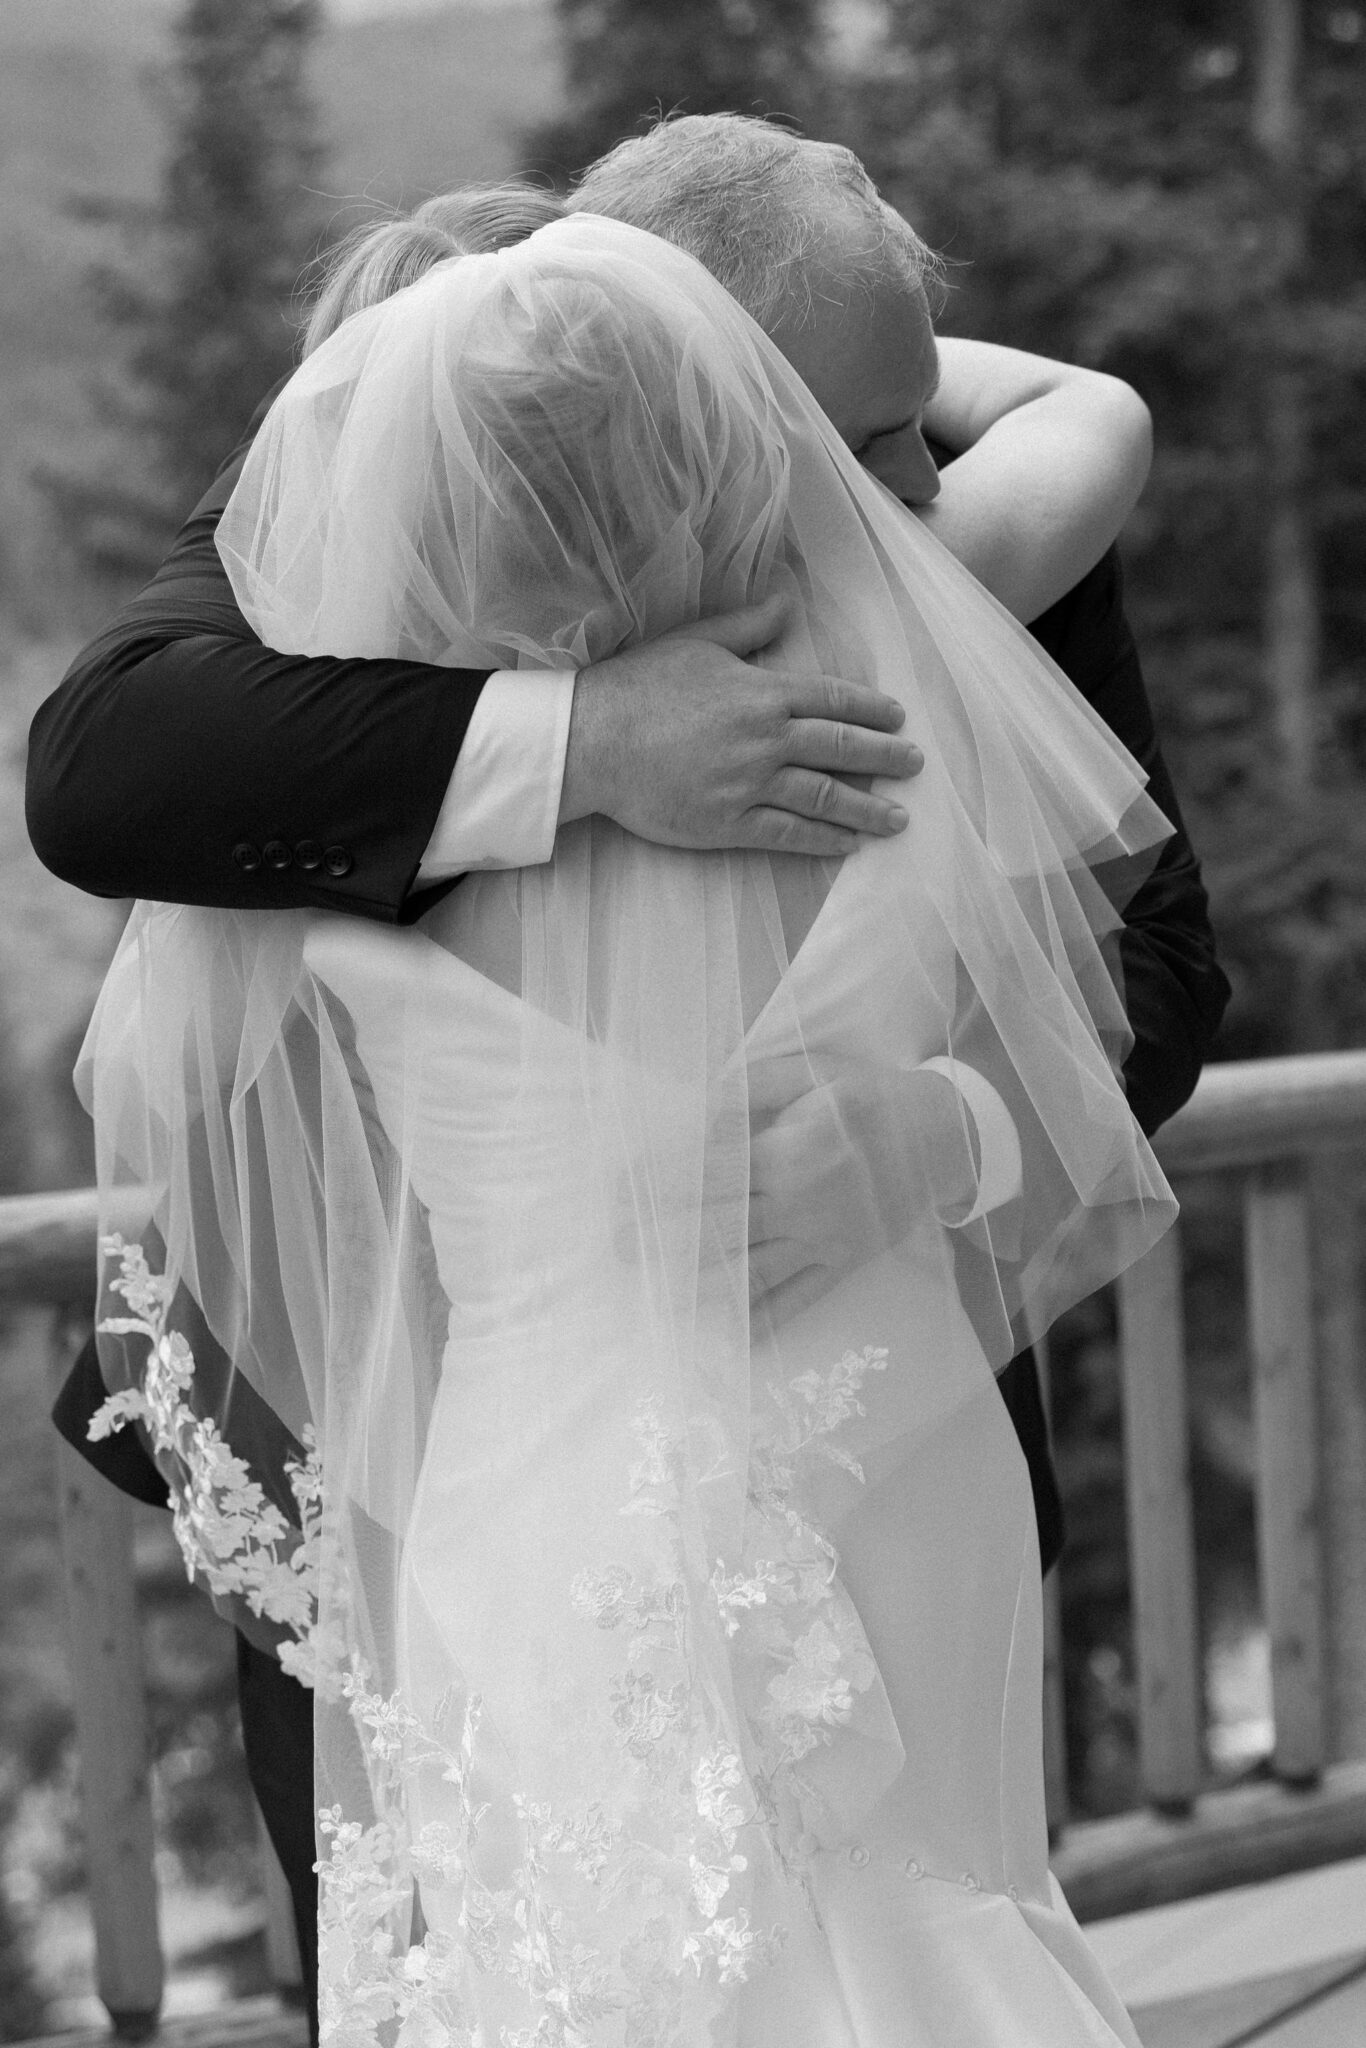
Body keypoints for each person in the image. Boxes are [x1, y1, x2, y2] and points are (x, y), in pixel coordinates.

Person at [31, 115, 1228, 2027]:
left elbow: (1162, 966)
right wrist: (580, 741)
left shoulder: (944, 540)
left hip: (859, 1441)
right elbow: (102, 774)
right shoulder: (373, 492)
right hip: (382, 1489)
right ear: (696, 406)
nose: (924, 483)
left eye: (925, 414)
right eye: (861, 437)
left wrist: (939, 1136)